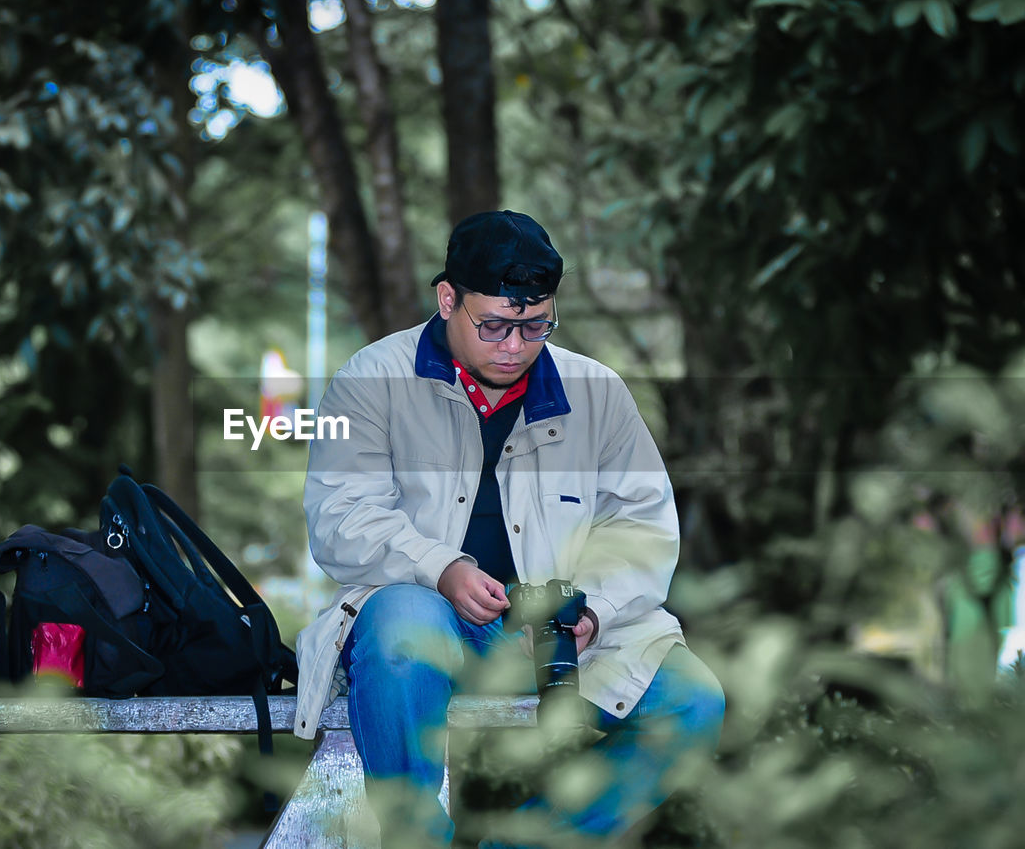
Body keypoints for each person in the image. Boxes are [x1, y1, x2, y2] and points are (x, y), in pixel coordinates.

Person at [294, 210, 725, 847]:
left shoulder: (597, 392)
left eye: (536, 326)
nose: (515, 345)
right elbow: (338, 514)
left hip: (558, 638)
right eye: (494, 324)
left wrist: (593, 612)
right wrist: (440, 566)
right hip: (428, 623)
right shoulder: (371, 380)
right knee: (400, 627)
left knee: (695, 703)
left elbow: (642, 525)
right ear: (447, 299)